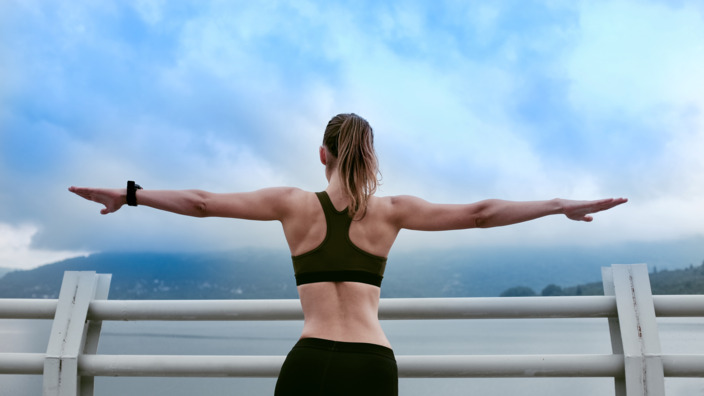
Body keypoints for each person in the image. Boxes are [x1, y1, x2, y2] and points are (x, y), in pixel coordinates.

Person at [69, 113, 627, 395]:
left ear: (322, 155)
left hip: (311, 362)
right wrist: (557, 204)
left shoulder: (292, 205)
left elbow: (203, 203)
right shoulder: (391, 212)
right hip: (370, 365)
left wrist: (132, 194)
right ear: (368, 156)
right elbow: (482, 213)